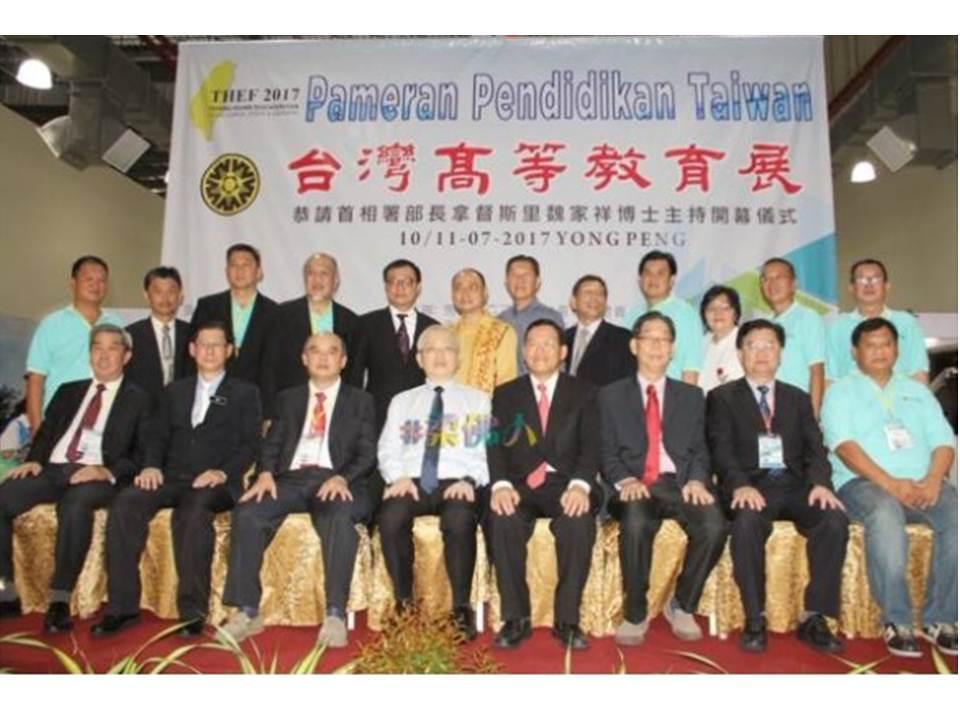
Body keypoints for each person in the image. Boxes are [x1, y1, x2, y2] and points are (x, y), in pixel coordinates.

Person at [91, 320, 261, 638]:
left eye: (217, 345)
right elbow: (156, 437)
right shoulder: (174, 391)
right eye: (203, 344)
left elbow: (252, 444)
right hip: (171, 476)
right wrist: (151, 466)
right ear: (192, 349)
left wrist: (222, 472)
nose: (209, 350)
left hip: (217, 482)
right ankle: (122, 607)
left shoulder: (245, 392)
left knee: (193, 513)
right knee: (126, 502)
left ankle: (192, 613)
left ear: (228, 351)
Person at [219, 332, 376, 647]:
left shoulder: (361, 400)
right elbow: (272, 444)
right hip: (290, 480)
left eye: (332, 352)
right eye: (314, 351)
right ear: (304, 359)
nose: (323, 357)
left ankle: (334, 614)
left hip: (336, 479)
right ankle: (247, 610)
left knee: (339, 516)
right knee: (248, 512)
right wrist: (264, 474)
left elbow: (367, 452)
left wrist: (343, 477)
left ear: (343, 361)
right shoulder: (287, 398)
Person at [707, 319, 848, 654]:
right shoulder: (721, 397)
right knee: (746, 522)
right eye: (753, 345)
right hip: (750, 485)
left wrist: (821, 484)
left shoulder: (798, 399)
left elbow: (816, 448)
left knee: (833, 519)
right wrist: (739, 484)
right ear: (740, 354)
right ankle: (755, 617)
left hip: (796, 485)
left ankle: (815, 617)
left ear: (780, 353)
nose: (762, 352)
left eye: (770, 345)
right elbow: (720, 448)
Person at [0, 325, 150, 632]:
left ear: (127, 356)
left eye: (112, 348)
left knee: (75, 504)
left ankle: (59, 601)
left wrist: (106, 471)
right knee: (3, 496)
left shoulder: (140, 398)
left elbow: (141, 453)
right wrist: (33, 462)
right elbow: (45, 434)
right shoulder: (69, 390)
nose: (104, 355)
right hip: (54, 469)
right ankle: (5, 592)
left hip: (96, 474)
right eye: (97, 348)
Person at [822, 317, 956, 657]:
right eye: (871, 345)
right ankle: (896, 620)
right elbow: (844, 446)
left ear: (896, 349)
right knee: (884, 513)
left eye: (886, 344)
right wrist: (890, 484)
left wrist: (932, 480)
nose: (879, 351)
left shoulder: (917, 392)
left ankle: (941, 618)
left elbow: (943, 442)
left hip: (922, 482)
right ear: (855, 352)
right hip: (863, 483)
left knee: (957, 514)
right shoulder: (840, 391)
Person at [599, 311, 728, 646]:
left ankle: (682, 604)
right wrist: (624, 480)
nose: (656, 345)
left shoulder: (691, 396)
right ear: (634, 345)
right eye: (649, 338)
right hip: (633, 484)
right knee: (637, 521)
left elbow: (701, 448)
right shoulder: (610, 395)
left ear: (672, 350)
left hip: (679, 484)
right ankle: (635, 611)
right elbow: (605, 451)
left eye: (664, 340)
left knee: (714, 525)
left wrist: (698, 480)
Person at [487, 320, 600, 651]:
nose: (540, 350)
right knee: (503, 518)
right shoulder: (505, 393)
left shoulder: (585, 392)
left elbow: (591, 445)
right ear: (523, 352)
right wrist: (500, 485)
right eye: (532, 344)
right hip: (520, 485)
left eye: (548, 344)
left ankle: (567, 620)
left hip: (567, 483)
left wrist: (581, 484)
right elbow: (493, 442)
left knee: (578, 523)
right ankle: (515, 618)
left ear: (563, 352)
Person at [377, 325, 491, 640]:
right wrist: (397, 476)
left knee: (459, 517)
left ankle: (461, 608)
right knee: (390, 515)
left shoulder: (478, 401)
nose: (440, 356)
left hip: (458, 480)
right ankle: (404, 604)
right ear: (419, 358)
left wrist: (470, 479)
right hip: (410, 480)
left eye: (448, 350)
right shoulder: (402, 401)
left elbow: (484, 449)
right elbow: (388, 447)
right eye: (431, 350)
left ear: (458, 358)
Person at [25, 256, 122, 434]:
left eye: (102, 280)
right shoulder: (51, 324)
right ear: (73, 283)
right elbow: (36, 380)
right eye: (89, 279)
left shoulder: (117, 324)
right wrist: (37, 430)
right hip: (59, 421)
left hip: (104, 422)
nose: (96, 285)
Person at [267, 253, 362, 416]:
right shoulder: (280, 315)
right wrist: (269, 414)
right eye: (311, 274)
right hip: (289, 410)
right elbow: (269, 367)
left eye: (324, 274)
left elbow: (354, 373)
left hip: (337, 410)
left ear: (336, 281)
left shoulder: (351, 321)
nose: (317, 280)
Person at [354, 259, 439, 433]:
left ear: (418, 287)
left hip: (422, 417)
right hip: (377, 419)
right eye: (393, 282)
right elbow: (355, 375)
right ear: (386, 288)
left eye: (407, 282)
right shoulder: (365, 325)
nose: (400, 287)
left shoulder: (433, 328)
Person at [190, 243, 277, 398]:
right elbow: (191, 356)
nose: (239, 270)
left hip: (256, 401)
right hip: (210, 397)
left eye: (246, 265)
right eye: (234, 265)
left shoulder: (274, 312)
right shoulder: (208, 306)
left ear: (259, 272)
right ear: (226, 271)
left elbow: (275, 367)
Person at [826, 258, 929, 384]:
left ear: (887, 287)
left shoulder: (906, 323)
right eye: (861, 279)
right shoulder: (836, 327)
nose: (869, 284)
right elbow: (829, 378)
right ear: (851, 288)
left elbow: (918, 373)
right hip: (851, 401)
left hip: (899, 400)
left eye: (875, 279)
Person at [756, 257, 826, 415]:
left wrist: (812, 416)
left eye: (778, 277)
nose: (771, 283)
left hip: (798, 407)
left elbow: (816, 370)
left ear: (794, 284)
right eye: (765, 279)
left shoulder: (807, 317)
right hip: (767, 409)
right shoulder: (763, 323)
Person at [623, 251, 702, 385]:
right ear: (640, 280)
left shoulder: (685, 313)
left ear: (671, 280)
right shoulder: (632, 314)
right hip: (636, 395)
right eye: (648, 273)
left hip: (671, 397)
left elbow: (690, 367)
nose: (653, 279)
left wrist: (687, 402)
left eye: (660, 273)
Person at [125, 266, 193, 408]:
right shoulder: (130, 335)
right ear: (146, 295)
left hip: (184, 412)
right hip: (143, 413)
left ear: (180, 296)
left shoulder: (194, 334)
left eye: (171, 291)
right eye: (158, 292)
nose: (165, 298)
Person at [449, 268, 517, 394]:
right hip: (449, 410)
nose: (465, 293)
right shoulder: (446, 334)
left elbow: (506, 382)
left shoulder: (502, 332)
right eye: (458, 288)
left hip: (486, 411)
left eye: (473, 287)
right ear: (452, 295)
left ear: (485, 293)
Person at [563, 274, 633, 388]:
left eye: (600, 294)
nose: (594, 298)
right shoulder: (562, 338)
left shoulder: (623, 339)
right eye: (588, 293)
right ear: (573, 302)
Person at [497, 255, 564, 373]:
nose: (520, 280)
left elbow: (559, 364)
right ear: (506, 282)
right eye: (514, 275)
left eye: (526, 275)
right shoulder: (499, 321)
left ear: (537, 282)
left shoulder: (551, 318)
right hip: (505, 389)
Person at [698, 285, 745, 394]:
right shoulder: (701, 343)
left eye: (725, 308)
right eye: (711, 308)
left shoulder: (745, 342)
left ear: (736, 314)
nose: (718, 313)